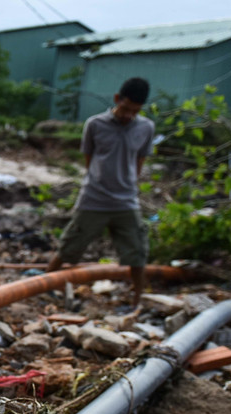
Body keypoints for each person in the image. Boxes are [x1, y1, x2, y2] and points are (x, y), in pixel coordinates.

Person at [46, 77, 155, 307]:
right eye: (126, 109)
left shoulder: (146, 128)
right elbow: (89, 159)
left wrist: (128, 184)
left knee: (137, 251)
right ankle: (45, 286)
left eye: (134, 111)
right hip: (94, 199)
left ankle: (137, 300)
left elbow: (139, 161)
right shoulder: (95, 124)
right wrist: (101, 181)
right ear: (117, 100)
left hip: (126, 202)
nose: (128, 115)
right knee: (70, 246)